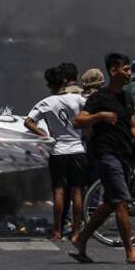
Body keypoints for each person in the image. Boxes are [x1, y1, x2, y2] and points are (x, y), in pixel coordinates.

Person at [69, 53, 135, 265]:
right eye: (125, 69)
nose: (129, 73)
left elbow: (133, 125)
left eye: (129, 69)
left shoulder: (127, 97)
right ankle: (130, 251)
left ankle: (80, 239)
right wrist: (100, 116)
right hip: (107, 156)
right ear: (113, 71)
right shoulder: (100, 98)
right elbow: (79, 120)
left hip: (125, 156)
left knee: (109, 203)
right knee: (120, 203)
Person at [24, 65, 88, 240]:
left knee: (59, 192)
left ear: (49, 84)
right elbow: (90, 114)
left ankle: (57, 231)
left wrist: (44, 134)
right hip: (77, 150)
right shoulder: (77, 99)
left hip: (58, 151)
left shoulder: (46, 102)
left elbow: (28, 122)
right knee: (76, 192)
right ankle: (76, 231)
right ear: (65, 81)